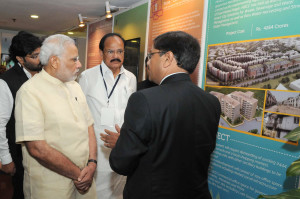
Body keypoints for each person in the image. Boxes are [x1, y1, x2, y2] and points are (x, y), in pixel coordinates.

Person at [107, 31, 221, 199]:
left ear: (167, 58)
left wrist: (122, 143)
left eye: (151, 55)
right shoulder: (211, 102)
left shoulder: (144, 99)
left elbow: (120, 163)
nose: (148, 61)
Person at [14, 34, 97, 199]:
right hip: (50, 186)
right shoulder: (30, 92)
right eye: (74, 59)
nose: (79, 64)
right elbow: (37, 148)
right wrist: (78, 174)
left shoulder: (75, 87)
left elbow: (89, 126)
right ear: (54, 61)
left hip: (84, 180)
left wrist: (92, 163)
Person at [79, 32, 136, 199]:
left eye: (120, 51)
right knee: (95, 192)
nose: (116, 56)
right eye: (111, 52)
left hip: (121, 144)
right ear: (101, 53)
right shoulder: (87, 77)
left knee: (119, 190)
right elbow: (79, 113)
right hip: (96, 146)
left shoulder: (130, 78)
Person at [0, 31, 42, 199]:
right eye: (34, 56)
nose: (40, 59)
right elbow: (1, 124)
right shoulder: (6, 82)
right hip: (18, 153)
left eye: (41, 54)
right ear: (20, 59)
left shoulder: (43, 75)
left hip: (41, 151)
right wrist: (6, 159)